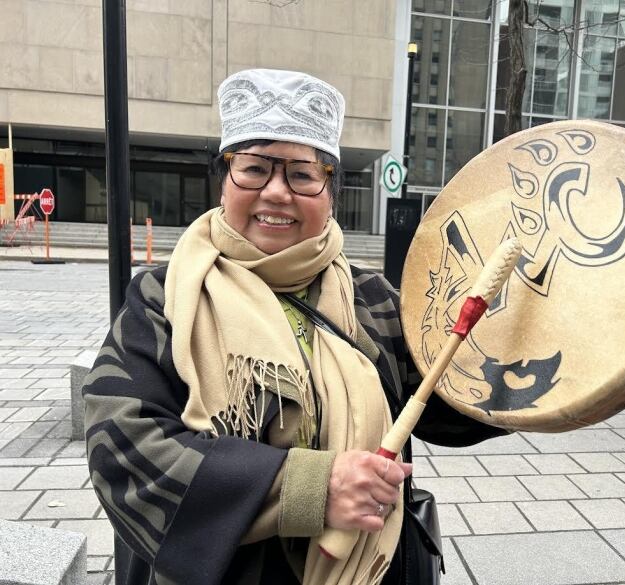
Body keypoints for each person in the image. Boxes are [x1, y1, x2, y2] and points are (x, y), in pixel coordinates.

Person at [82, 69, 504, 585]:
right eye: (255, 168)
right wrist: (311, 489)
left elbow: (451, 404)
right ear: (225, 180)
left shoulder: (374, 300)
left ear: (330, 191)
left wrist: (532, 371)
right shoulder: (163, 298)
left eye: (302, 174)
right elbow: (122, 447)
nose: (277, 192)